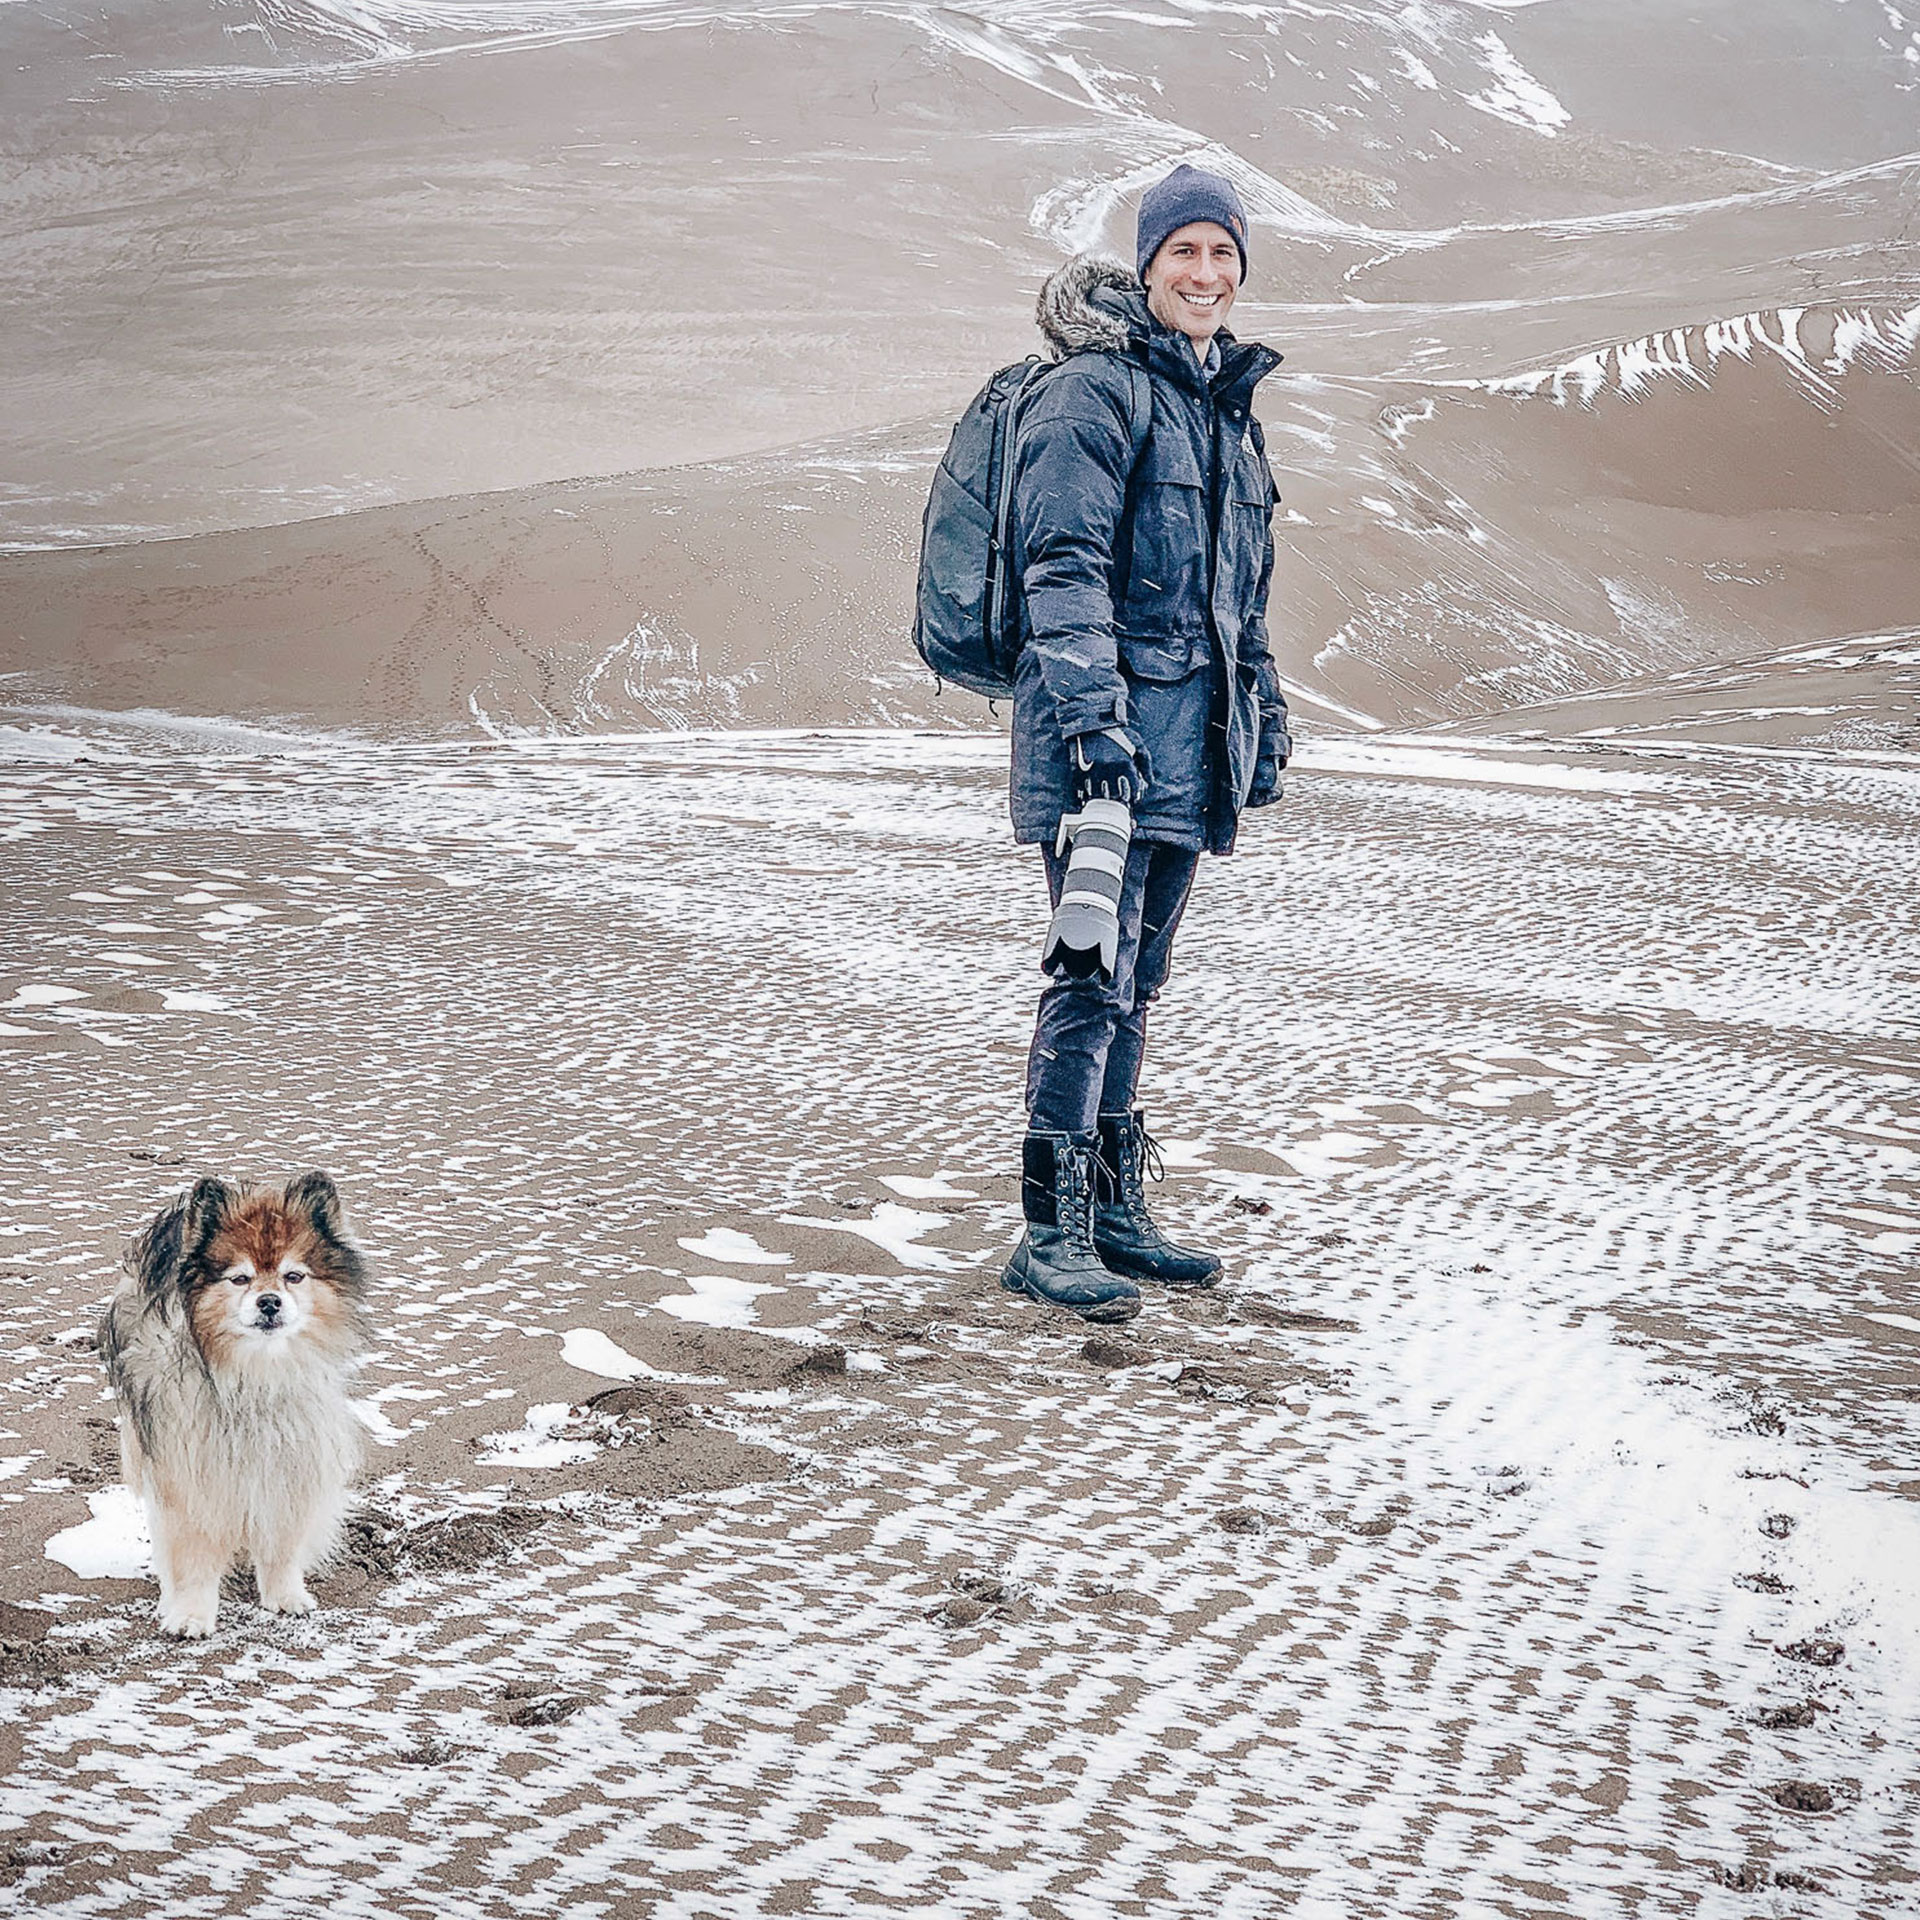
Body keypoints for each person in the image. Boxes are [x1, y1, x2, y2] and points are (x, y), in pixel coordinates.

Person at [1000, 164, 1290, 1324]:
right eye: (1186, 254)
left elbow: (1237, 600)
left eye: (1224, 255)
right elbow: (1059, 570)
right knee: (1089, 977)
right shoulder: (1095, 395)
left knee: (1139, 982)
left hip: (1188, 745)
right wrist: (1095, 728)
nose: (1206, 274)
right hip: (1103, 748)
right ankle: (1049, 1229)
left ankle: (1115, 1211)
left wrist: (1259, 721)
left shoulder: (1219, 407)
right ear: (1150, 262)